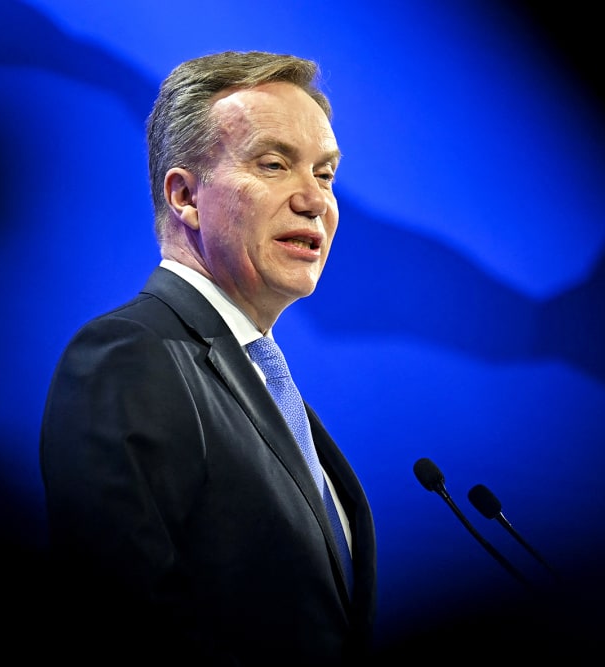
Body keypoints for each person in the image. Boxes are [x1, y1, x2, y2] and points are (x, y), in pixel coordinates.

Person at [39, 50, 376, 665]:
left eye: (325, 174)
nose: (314, 200)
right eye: (273, 164)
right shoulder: (131, 357)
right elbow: (120, 620)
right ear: (185, 196)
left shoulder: (258, 377)